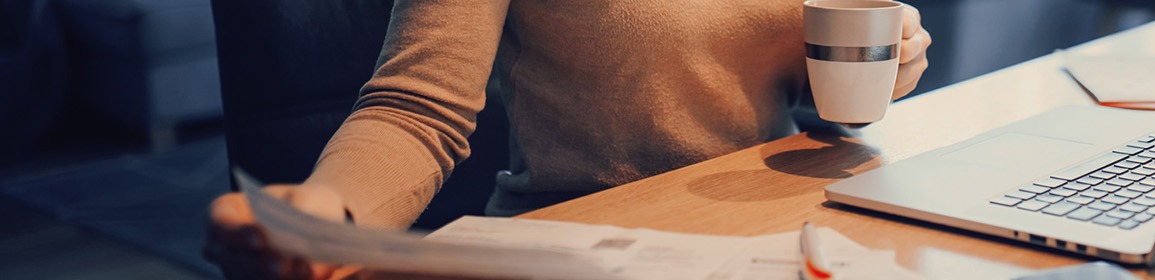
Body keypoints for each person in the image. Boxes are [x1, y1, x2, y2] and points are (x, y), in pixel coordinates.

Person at [204, 0, 932, 278]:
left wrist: (892, 61)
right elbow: (416, 111)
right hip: (577, 250)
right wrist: (331, 212)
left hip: (768, 240)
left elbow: (822, 89)